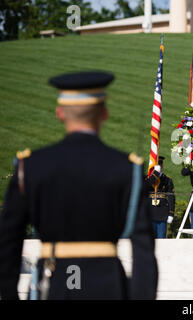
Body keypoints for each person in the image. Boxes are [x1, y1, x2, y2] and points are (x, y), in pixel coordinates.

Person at [0, 71, 158, 300]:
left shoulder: (31, 166)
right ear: (104, 113)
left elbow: (8, 242)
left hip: (53, 284)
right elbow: (143, 250)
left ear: (60, 113)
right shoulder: (127, 168)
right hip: (108, 286)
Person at [145, 156, 175, 239]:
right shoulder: (147, 179)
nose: (159, 167)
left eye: (160, 165)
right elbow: (145, 187)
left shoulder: (167, 179)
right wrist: (155, 175)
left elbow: (171, 197)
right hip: (150, 213)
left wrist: (171, 213)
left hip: (162, 213)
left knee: (161, 239)